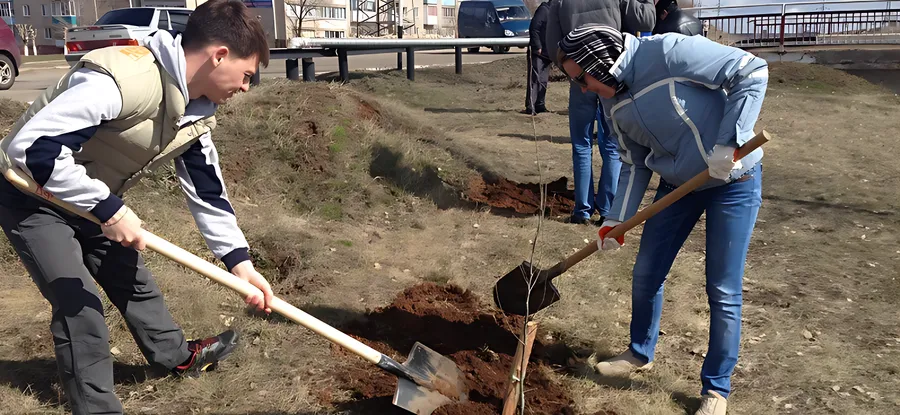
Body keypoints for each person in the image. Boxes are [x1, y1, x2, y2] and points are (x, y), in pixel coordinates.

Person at [0, 1, 275, 413]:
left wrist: (241, 264)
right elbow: (34, 150)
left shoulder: (196, 113)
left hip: (88, 197)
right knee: (78, 305)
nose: (246, 88)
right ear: (219, 55)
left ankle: (176, 357)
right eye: (247, 75)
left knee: (133, 282)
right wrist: (110, 210)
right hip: (32, 195)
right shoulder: (125, 79)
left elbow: (207, 192)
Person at [556, 25, 768, 415]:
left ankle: (716, 390)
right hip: (678, 186)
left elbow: (750, 70)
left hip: (733, 180)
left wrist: (730, 142)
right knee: (646, 273)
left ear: (600, 62)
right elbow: (634, 162)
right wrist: (615, 220)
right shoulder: (610, 103)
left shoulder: (667, 53)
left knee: (722, 288)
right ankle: (639, 352)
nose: (583, 89)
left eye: (582, 78)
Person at [545, 0, 656, 225]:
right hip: (610, 74)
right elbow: (646, 21)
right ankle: (607, 208)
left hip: (579, 76)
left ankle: (582, 211)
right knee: (613, 144)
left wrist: (574, 75)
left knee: (581, 144)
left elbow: (552, 45)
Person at [524, 0, 551, 115]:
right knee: (535, 79)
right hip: (538, 52)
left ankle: (540, 104)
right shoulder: (543, 10)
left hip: (548, 52)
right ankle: (531, 106)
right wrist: (537, 46)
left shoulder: (555, 12)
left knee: (543, 80)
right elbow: (534, 29)